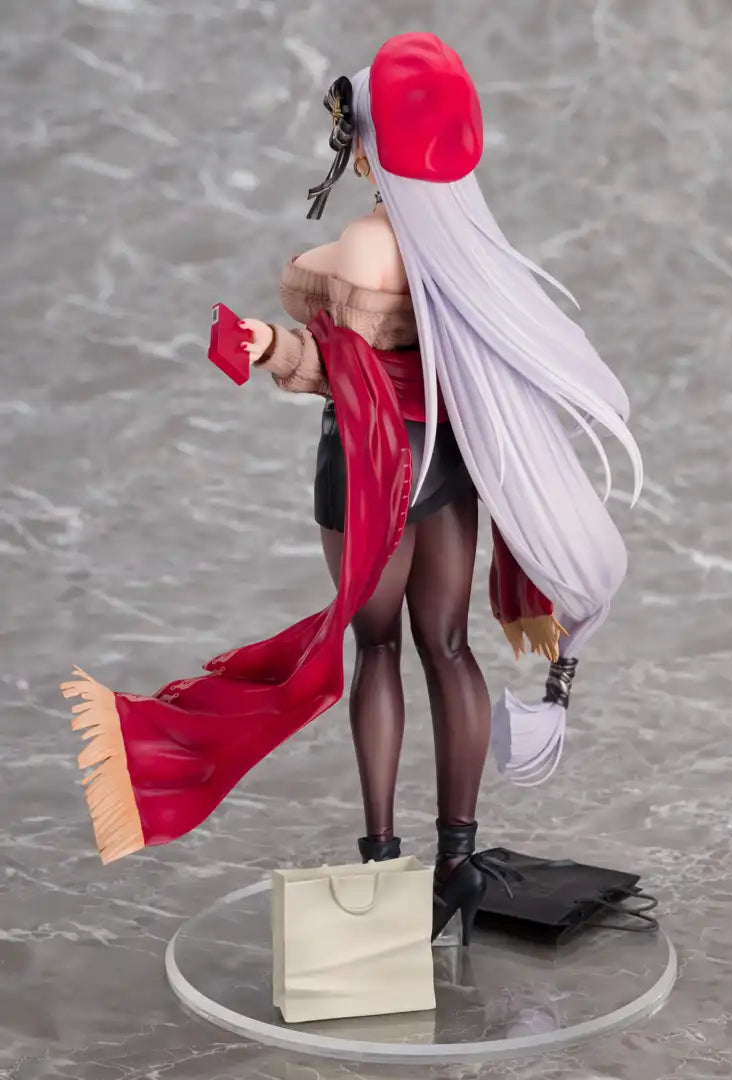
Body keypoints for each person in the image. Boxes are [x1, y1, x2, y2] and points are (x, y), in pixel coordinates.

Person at [62, 33, 642, 946]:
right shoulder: (469, 250)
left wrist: (265, 344)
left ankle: (381, 865)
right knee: (448, 647)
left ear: (369, 154)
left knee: (377, 649)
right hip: (447, 461)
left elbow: (337, 365)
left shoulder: (363, 247)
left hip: (371, 467)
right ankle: (458, 860)